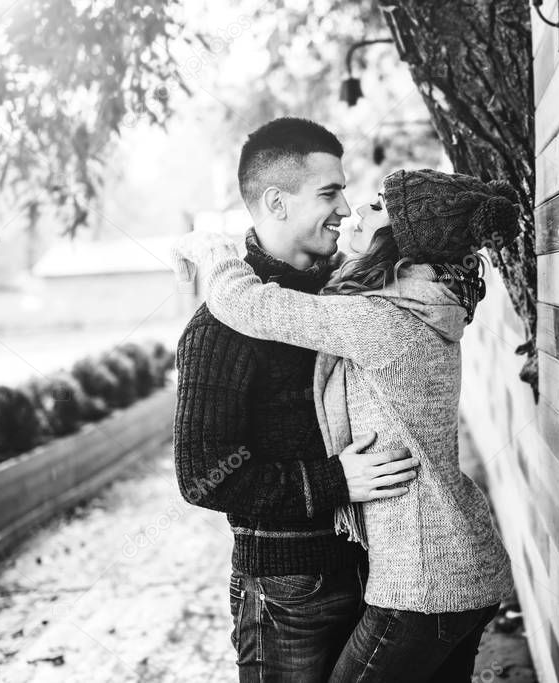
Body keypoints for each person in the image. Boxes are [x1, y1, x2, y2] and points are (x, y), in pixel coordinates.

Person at [175, 168, 519, 682]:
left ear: (403, 243)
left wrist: (214, 250)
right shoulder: (418, 304)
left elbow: (251, 306)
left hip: (424, 584)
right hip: (450, 571)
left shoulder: (385, 319)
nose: (355, 210)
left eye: (377, 208)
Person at [172, 117, 420, 683]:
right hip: (290, 594)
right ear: (277, 202)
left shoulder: (348, 293)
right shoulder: (222, 327)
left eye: (345, 190)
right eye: (329, 192)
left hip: (379, 574)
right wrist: (334, 482)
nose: (346, 208)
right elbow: (202, 475)